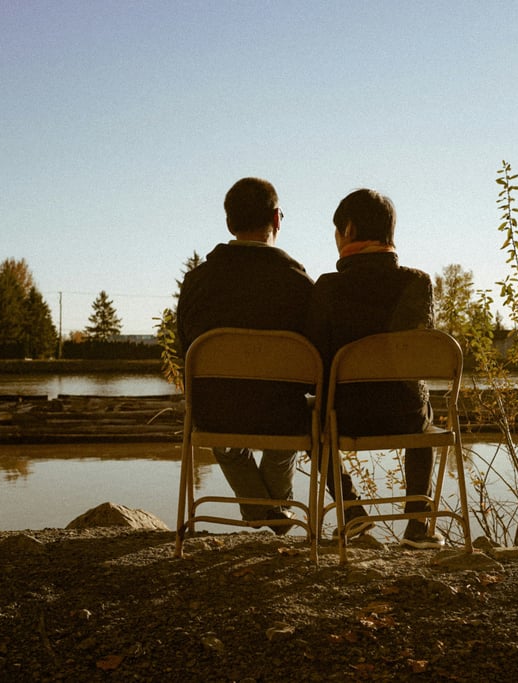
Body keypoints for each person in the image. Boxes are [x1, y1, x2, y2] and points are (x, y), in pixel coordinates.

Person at [305, 188, 443, 549]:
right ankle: (417, 523)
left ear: (348, 230)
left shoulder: (328, 287)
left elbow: (313, 362)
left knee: (308, 417)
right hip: (405, 417)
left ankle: (351, 510)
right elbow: (420, 354)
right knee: (423, 406)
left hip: (343, 417)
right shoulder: (418, 283)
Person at [176, 177, 314, 534]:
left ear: (229, 223)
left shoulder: (196, 283)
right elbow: (317, 363)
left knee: (224, 433)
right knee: (298, 413)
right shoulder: (300, 284)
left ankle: (261, 510)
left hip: (215, 414)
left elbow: (185, 357)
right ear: (277, 219)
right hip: (283, 417)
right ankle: (272, 509)